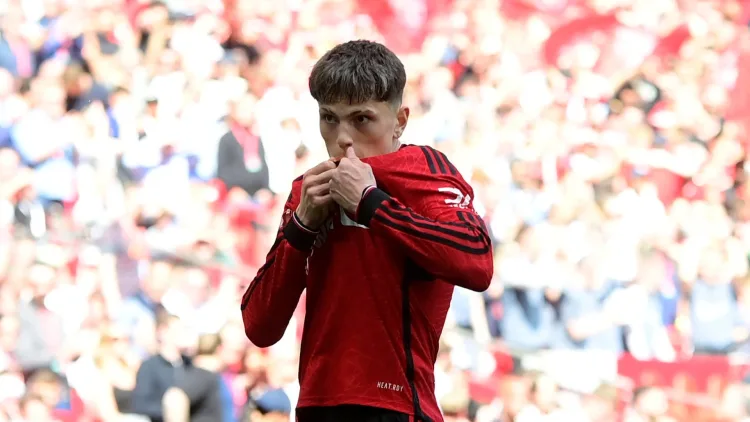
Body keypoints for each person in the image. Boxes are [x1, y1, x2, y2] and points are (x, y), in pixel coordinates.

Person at [241, 40, 494, 422]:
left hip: (397, 407)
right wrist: (301, 226)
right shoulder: (307, 190)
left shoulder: (425, 169)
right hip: (315, 407)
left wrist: (370, 203)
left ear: (400, 120)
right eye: (329, 118)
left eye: (361, 119)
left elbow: (477, 262)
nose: (342, 137)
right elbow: (260, 327)